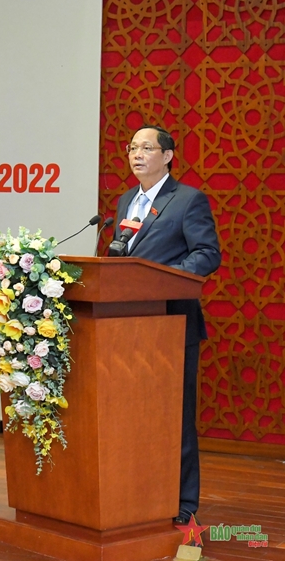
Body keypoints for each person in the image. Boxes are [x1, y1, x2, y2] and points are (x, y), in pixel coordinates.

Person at [113, 125, 221, 525]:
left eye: (146, 148)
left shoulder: (188, 200)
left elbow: (207, 253)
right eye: (132, 148)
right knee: (134, 415)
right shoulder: (126, 201)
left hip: (172, 324)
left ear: (168, 156)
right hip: (127, 326)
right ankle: (140, 493)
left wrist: (165, 278)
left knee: (174, 416)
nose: (137, 155)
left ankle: (183, 503)